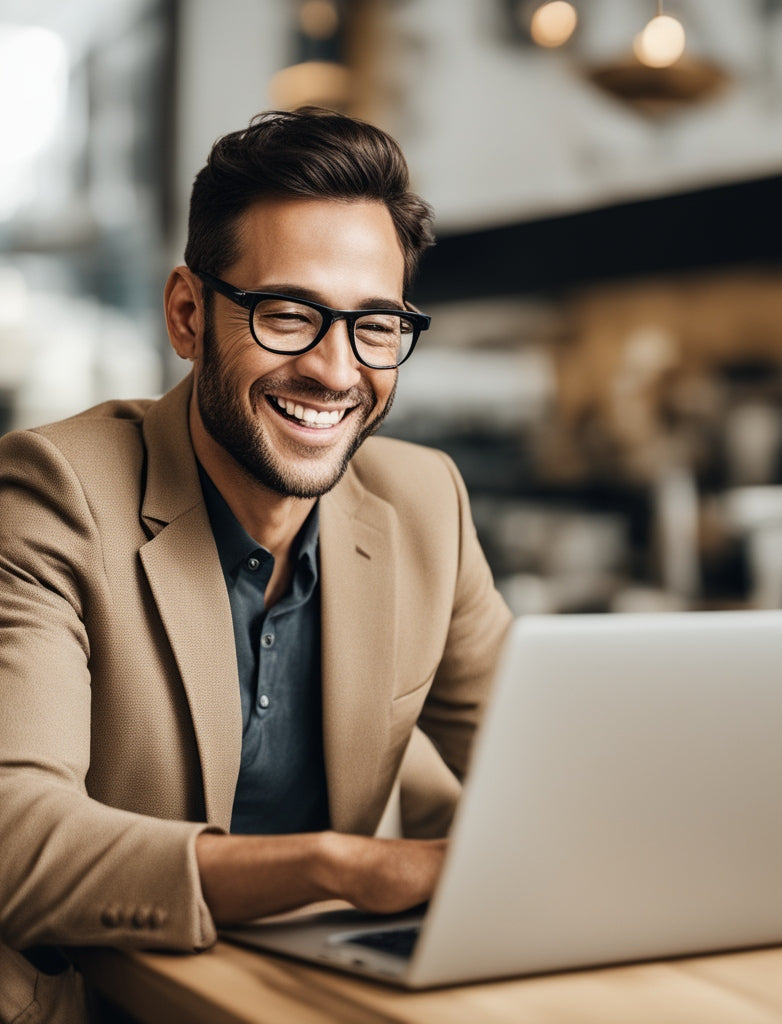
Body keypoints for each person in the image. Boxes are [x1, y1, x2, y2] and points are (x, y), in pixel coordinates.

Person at [0, 108, 512, 1022]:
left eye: (376, 326)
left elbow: (541, 771)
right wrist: (333, 863)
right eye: (288, 315)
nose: (335, 368)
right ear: (188, 313)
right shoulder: (51, 495)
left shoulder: (428, 503)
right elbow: (16, 837)